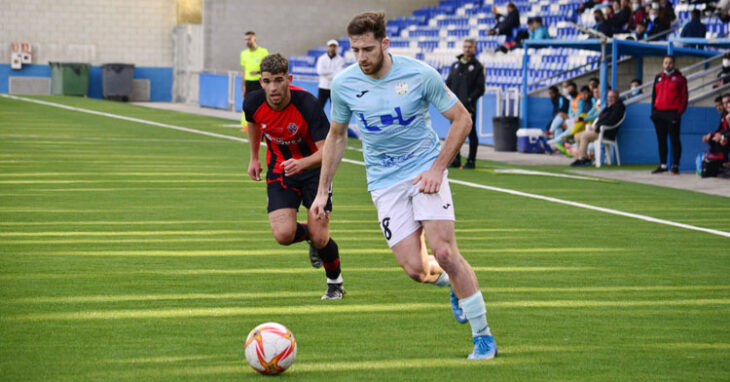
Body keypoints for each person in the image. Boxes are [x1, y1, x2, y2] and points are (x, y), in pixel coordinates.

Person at [311, 11, 498, 360]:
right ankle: (453, 285)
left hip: (425, 169)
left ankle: (483, 336)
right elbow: (336, 137)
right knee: (416, 269)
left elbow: (463, 119)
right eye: (356, 51)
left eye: (368, 49)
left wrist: (438, 168)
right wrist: (323, 191)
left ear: (385, 43)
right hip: (383, 181)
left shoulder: (419, 74)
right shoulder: (345, 84)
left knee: (444, 251)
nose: (362, 57)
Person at [244, 53, 345, 300]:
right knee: (283, 235)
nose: (273, 87)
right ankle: (310, 235)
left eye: (279, 80)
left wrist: (302, 163)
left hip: (314, 173)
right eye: (267, 81)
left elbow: (327, 151)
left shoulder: (308, 104)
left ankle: (335, 283)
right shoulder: (253, 102)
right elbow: (254, 124)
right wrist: (254, 157)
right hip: (280, 170)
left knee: (321, 238)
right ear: (261, 81)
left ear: (288, 79)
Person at [446, 38, 485, 169]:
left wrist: (469, 100)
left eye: (470, 47)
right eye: (465, 47)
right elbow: (448, 83)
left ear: (475, 49)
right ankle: (455, 159)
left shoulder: (478, 67)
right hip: (454, 106)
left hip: (468, 106)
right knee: (454, 132)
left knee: (471, 132)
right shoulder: (456, 65)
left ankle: (471, 160)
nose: (467, 49)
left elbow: (480, 88)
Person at [650, 55, 688, 175]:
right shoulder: (658, 77)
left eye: (670, 63)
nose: (668, 65)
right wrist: (653, 112)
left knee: (674, 140)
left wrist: (678, 113)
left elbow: (684, 97)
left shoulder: (680, 79)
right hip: (659, 113)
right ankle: (663, 165)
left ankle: (675, 165)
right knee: (661, 140)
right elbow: (653, 96)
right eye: (666, 63)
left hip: (672, 113)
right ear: (663, 64)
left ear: (674, 64)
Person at [570, 90, 626, 166]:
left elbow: (611, 121)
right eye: (609, 97)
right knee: (577, 136)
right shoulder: (609, 106)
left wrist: (597, 127)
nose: (610, 98)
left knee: (584, 136)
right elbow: (601, 118)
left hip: (606, 132)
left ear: (617, 98)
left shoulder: (619, 107)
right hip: (598, 130)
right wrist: (594, 126)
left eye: (612, 97)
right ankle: (585, 158)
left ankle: (582, 159)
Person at [241, 31, 269, 132]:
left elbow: (267, 67)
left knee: (261, 105)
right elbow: (243, 71)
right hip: (248, 83)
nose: (247, 41)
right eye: (246, 39)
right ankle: (246, 125)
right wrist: (243, 86)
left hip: (260, 82)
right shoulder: (244, 54)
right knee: (247, 104)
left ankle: (263, 126)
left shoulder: (263, 52)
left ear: (254, 39)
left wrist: (258, 72)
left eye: (249, 39)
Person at [316, 39, 346, 109]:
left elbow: (339, 74)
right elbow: (320, 71)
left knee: (335, 109)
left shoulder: (341, 60)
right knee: (319, 108)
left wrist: (326, 73)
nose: (332, 48)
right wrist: (333, 72)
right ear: (327, 47)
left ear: (337, 48)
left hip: (334, 87)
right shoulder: (322, 59)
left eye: (334, 46)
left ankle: (333, 120)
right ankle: (319, 120)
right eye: (331, 46)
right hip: (323, 87)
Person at [702, 93, 730, 162]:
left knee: (720, 140)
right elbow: (723, 129)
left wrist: (722, 136)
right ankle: (718, 163)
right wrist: (711, 135)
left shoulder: (727, 116)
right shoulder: (725, 115)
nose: (725, 106)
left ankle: (724, 162)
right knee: (713, 139)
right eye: (723, 103)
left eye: (728, 103)